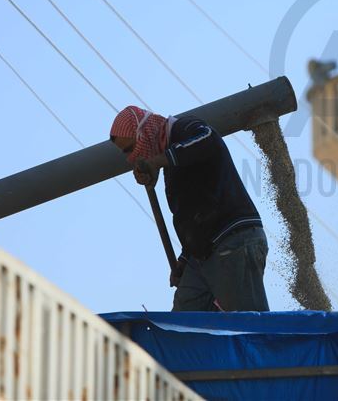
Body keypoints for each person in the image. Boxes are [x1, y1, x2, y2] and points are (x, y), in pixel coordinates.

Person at [109, 106, 269, 312]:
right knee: (184, 325)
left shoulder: (183, 129)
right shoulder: (171, 167)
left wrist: (157, 161)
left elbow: (208, 139)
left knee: (250, 328)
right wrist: (184, 261)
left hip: (232, 240)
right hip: (204, 255)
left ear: (144, 133)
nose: (131, 158)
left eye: (130, 149)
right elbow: (194, 217)